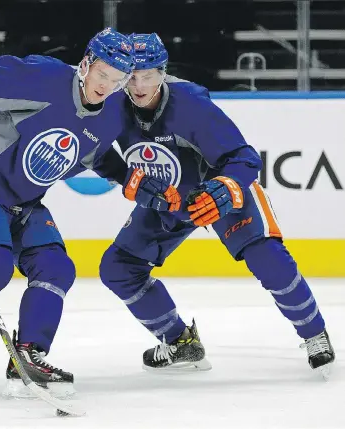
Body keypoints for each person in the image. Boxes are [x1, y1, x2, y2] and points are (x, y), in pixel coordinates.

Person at [0, 28, 181, 400]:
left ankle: (28, 357)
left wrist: (132, 181)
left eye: (118, 80)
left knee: (57, 268)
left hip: (23, 202)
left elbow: (93, 153)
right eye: (103, 75)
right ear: (86, 65)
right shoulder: (43, 78)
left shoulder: (112, 113)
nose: (107, 86)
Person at [97, 33, 334, 376]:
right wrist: (127, 178)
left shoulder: (190, 105)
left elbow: (244, 157)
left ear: (162, 73)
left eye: (146, 75)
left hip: (219, 192)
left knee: (268, 259)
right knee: (118, 267)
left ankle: (315, 335)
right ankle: (181, 343)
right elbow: (92, 150)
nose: (137, 85)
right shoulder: (111, 104)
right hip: (169, 199)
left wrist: (225, 186)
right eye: (130, 76)